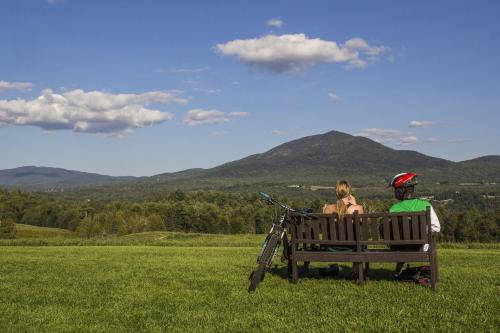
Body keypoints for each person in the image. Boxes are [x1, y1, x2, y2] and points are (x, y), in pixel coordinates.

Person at [388, 172, 441, 277]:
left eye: (395, 190)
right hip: (420, 247)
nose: (395, 193)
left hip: (399, 248)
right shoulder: (426, 205)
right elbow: (436, 227)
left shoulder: (393, 209)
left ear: (401, 190)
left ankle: (396, 273)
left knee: (404, 246)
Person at [319, 180, 364, 277]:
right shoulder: (357, 208)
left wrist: (324, 211)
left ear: (336, 192)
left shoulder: (328, 208)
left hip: (331, 247)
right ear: (349, 192)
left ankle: (333, 267)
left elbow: (323, 228)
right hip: (351, 247)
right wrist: (355, 203)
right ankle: (355, 272)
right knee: (358, 240)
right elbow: (361, 224)